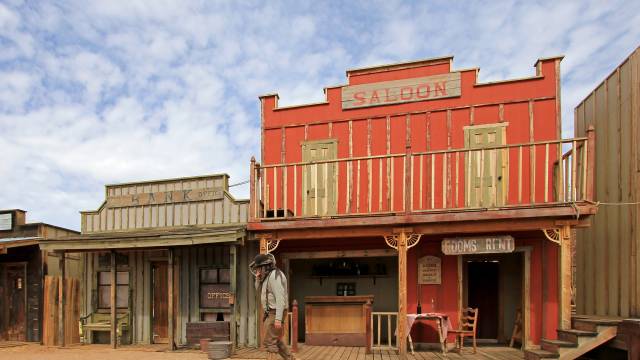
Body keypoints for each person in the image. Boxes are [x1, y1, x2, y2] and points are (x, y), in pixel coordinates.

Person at [250, 253, 296, 360]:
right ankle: (290, 359)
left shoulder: (275, 276)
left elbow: (280, 299)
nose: (257, 270)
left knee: (269, 342)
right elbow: (258, 289)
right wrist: (257, 278)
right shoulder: (267, 277)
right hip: (270, 312)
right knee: (275, 340)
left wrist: (278, 319)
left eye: (259, 268)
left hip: (276, 312)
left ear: (266, 266)